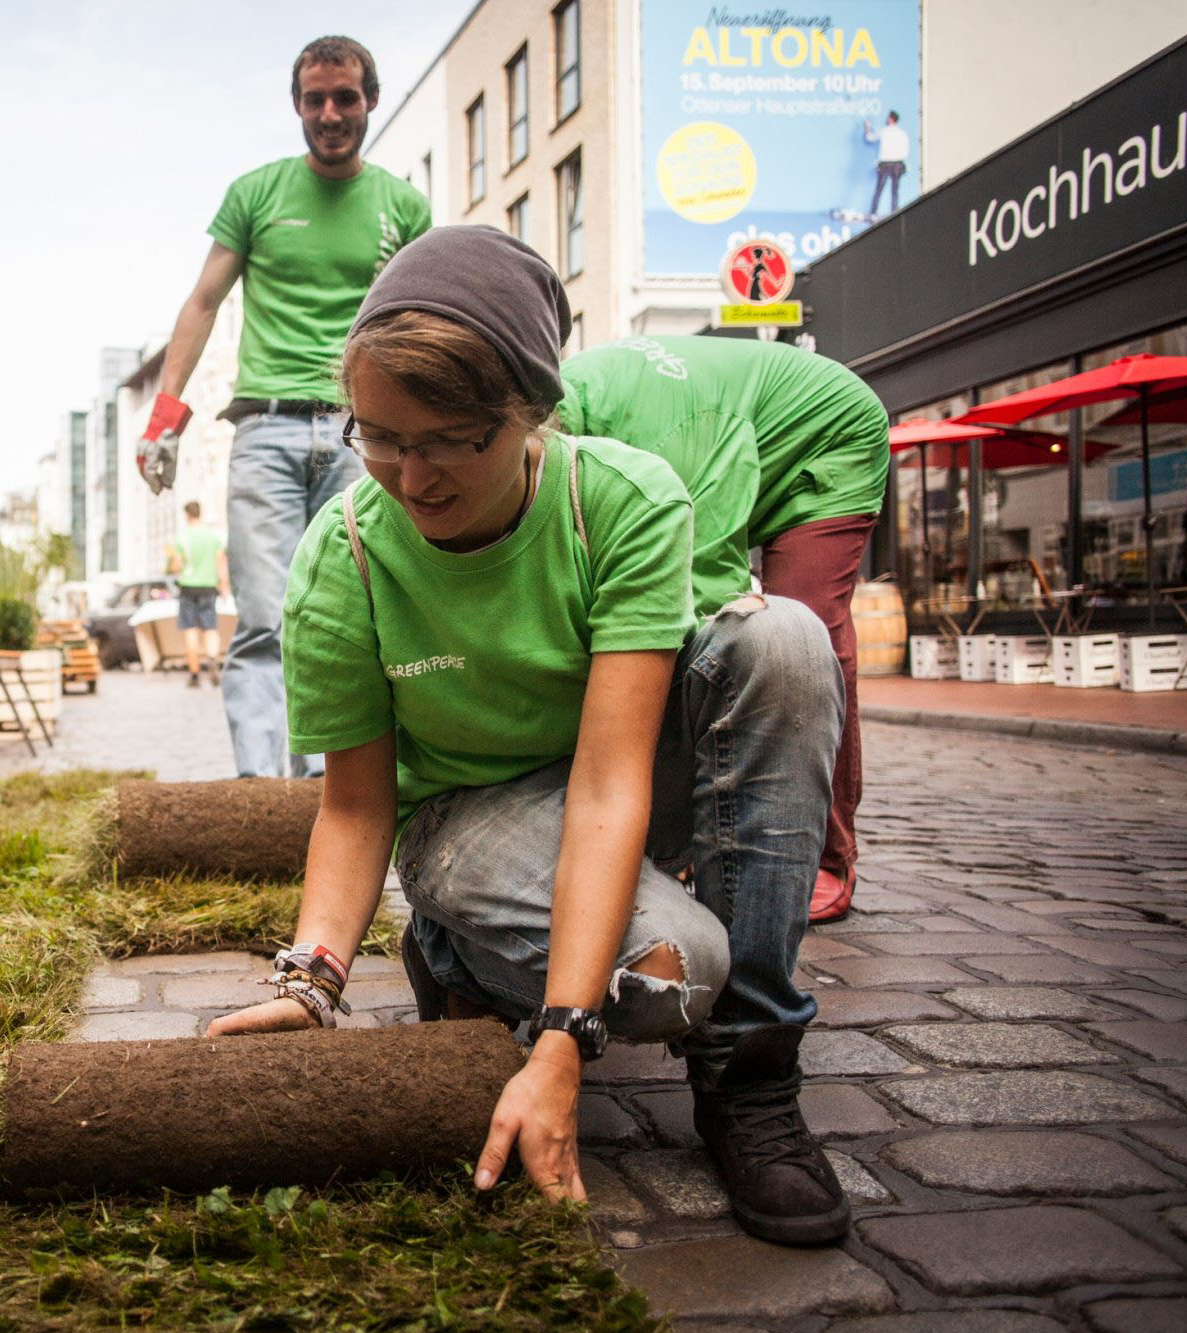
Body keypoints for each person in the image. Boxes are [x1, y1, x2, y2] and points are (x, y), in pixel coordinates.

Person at [208, 226, 851, 1248]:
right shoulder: (349, 555)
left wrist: (556, 1040)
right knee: (671, 971)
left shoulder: (622, 502)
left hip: (607, 783)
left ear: (529, 413)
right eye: (376, 436)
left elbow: (606, 785)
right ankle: (453, 947)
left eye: (449, 438)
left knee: (782, 642)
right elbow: (356, 803)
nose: (408, 477)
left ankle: (752, 1078)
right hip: (464, 818)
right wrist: (309, 978)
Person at [135, 35, 431, 776]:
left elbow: (420, 320)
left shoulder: (404, 206)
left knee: (348, 620)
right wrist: (164, 416)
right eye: (314, 100)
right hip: (263, 430)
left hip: (363, 437)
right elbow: (203, 301)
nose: (329, 114)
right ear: (297, 104)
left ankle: (331, 796)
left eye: (345, 98)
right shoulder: (256, 193)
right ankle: (263, 794)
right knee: (265, 619)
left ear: (370, 100)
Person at [555, 336, 889, 923]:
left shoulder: (671, 444)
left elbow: (700, 591)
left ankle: (830, 857)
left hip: (826, 436)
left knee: (801, 641)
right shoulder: (568, 414)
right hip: (739, 431)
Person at [166, 501, 229, 687]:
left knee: (190, 630)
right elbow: (221, 564)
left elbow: (176, 566)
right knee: (210, 629)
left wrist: (170, 567)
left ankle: (194, 674)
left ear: (186, 515)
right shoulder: (214, 536)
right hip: (209, 587)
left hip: (187, 587)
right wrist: (224, 586)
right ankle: (212, 659)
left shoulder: (181, 537)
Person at [865, 111, 908, 218]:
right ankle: (894, 213)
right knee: (895, 191)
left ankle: (873, 213)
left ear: (890, 119)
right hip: (898, 164)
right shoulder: (902, 133)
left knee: (879, 189)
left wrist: (867, 127)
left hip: (885, 164)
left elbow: (870, 137)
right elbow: (906, 150)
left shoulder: (884, 131)